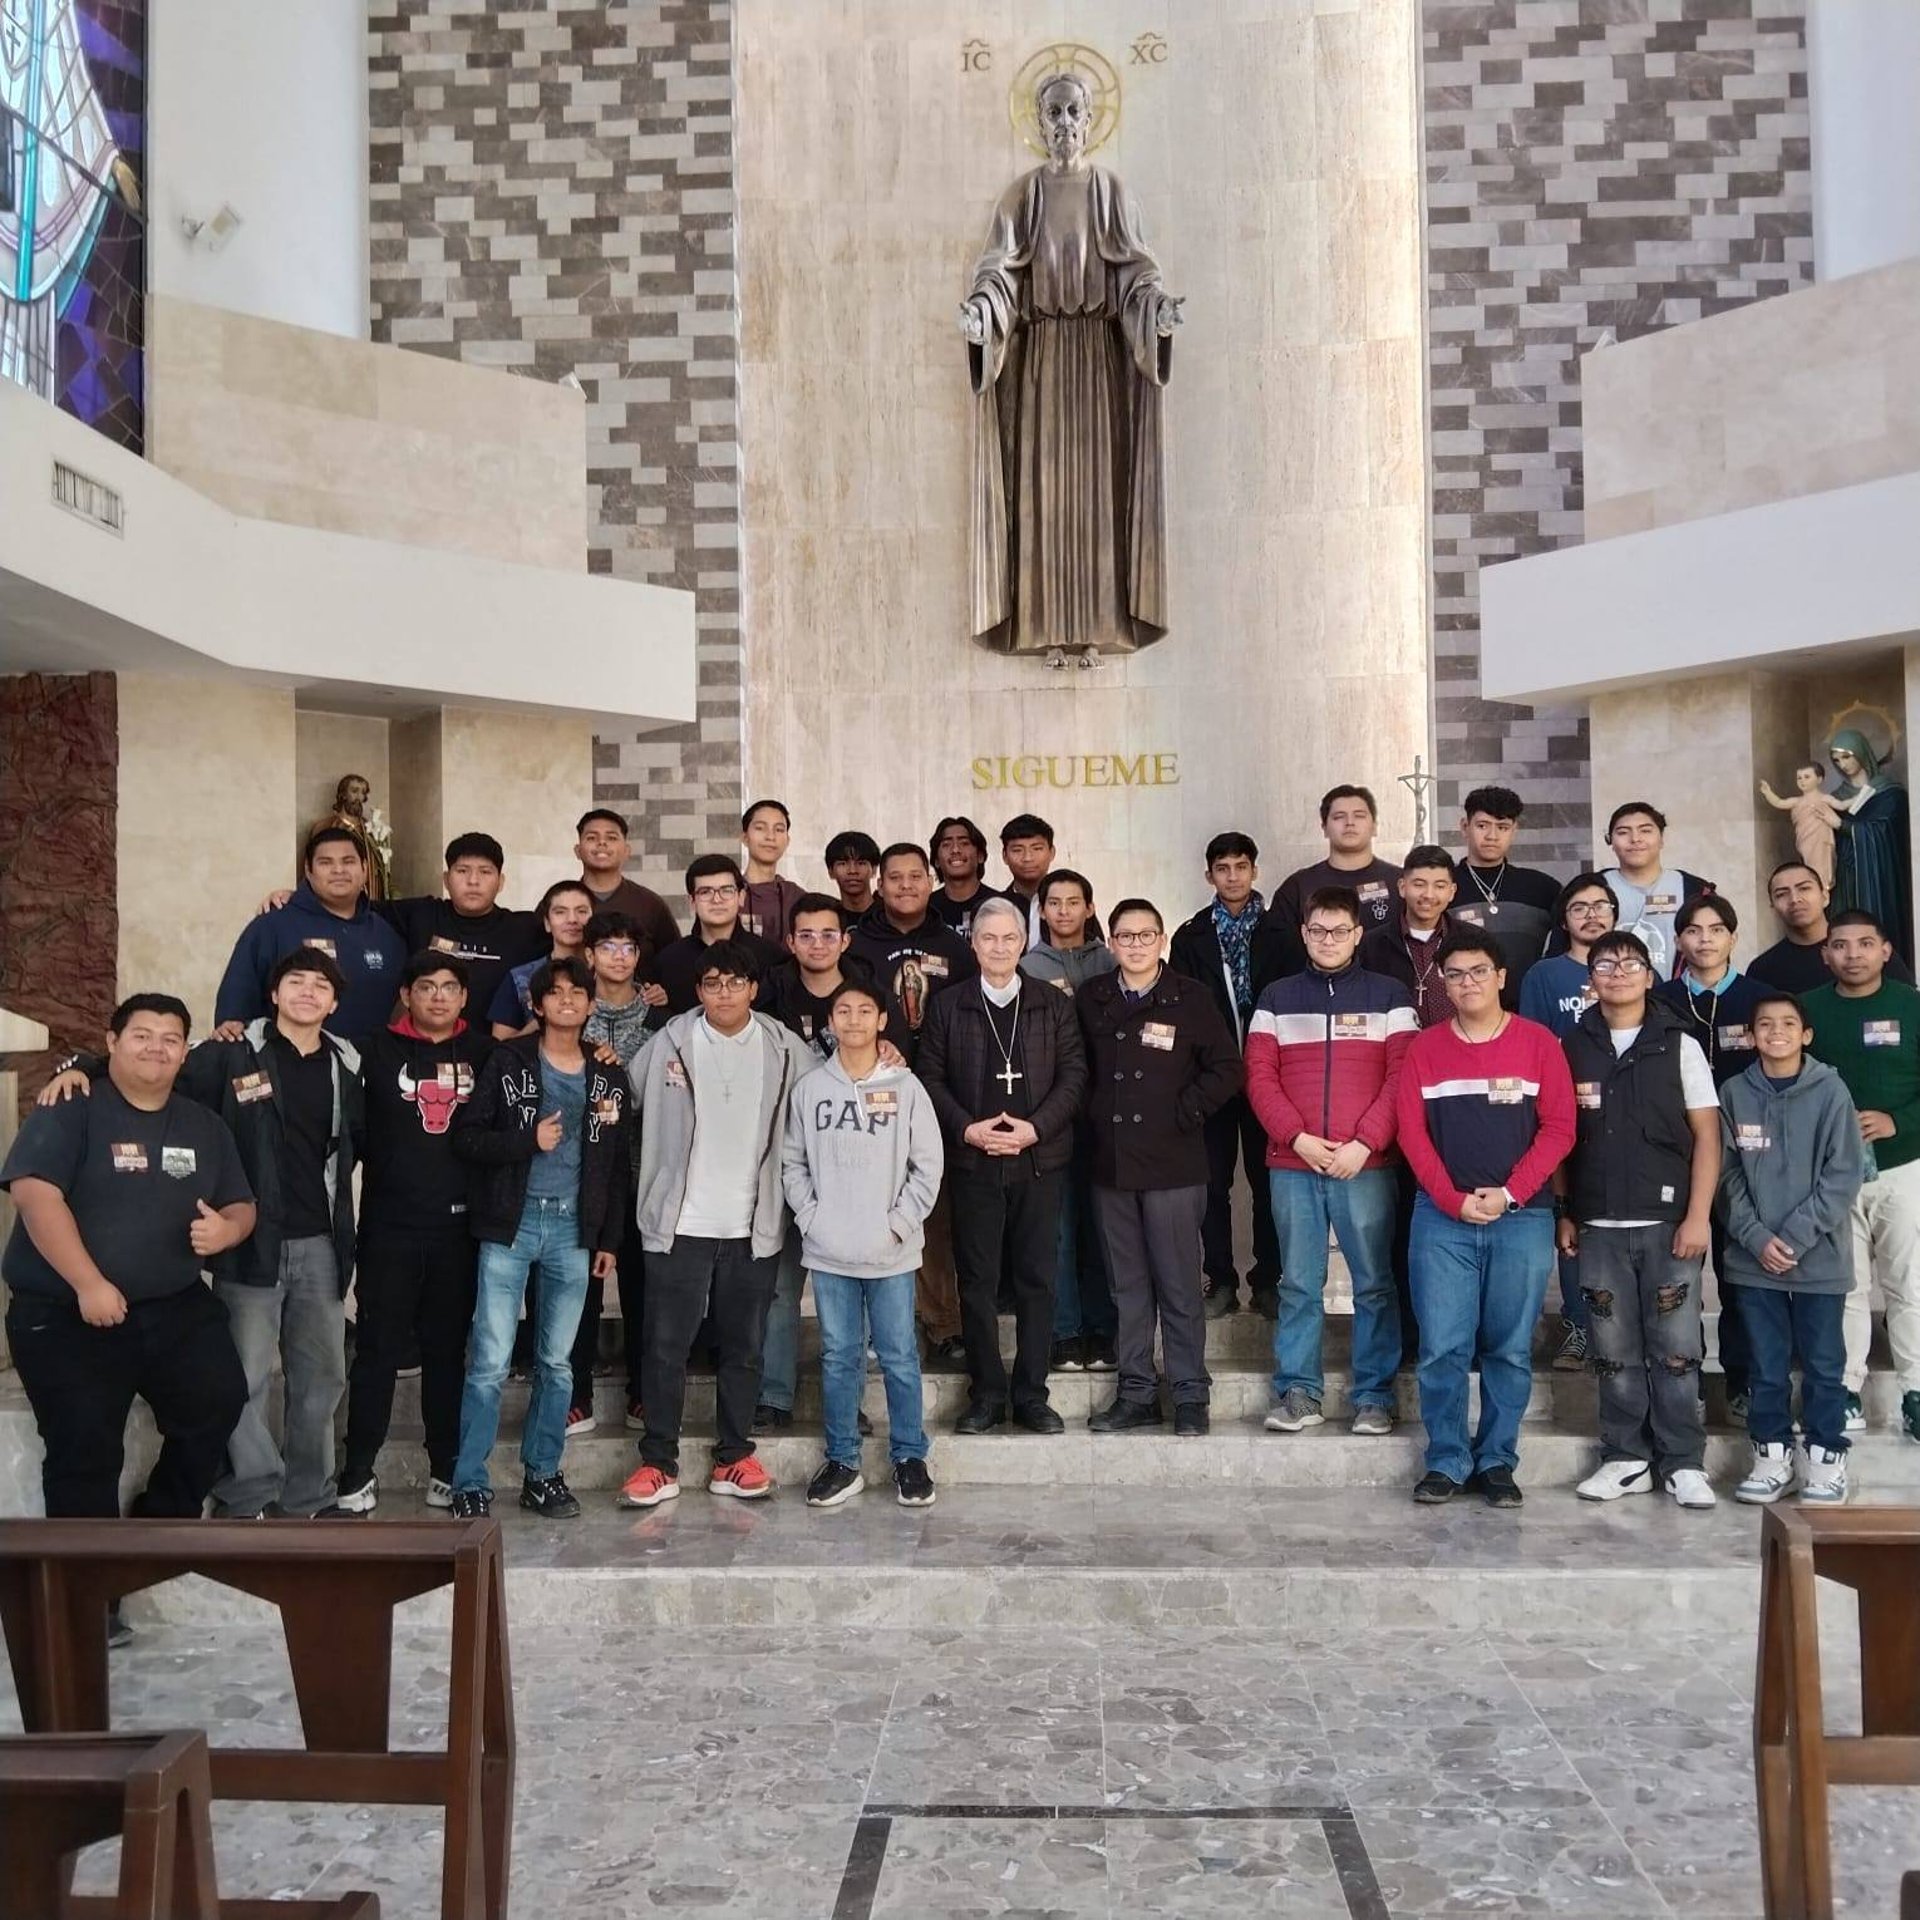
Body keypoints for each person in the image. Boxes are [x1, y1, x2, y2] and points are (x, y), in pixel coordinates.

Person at [44, 950, 364, 1518]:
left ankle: (308, 1497)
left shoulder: (346, 1064)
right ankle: (252, 1490)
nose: (308, 992)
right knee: (242, 1377)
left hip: (320, 1241)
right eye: (296, 981)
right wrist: (81, 1066)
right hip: (246, 1241)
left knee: (322, 1378)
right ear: (274, 993)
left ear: (335, 1002)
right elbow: (150, 1068)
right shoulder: (228, 1054)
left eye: (321, 986)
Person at [3, 995, 252, 1526]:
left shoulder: (204, 1125)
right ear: (112, 1043)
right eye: (141, 1036)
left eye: (170, 1039)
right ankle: (85, 1599)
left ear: (186, 1052)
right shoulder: (72, 1104)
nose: (156, 1049)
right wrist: (87, 1283)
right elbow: (34, 1194)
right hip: (65, 1310)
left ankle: (157, 1528)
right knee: (85, 1451)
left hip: (172, 1306)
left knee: (218, 1399)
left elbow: (242, 1204)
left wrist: (227, 1229)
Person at [619, 943, 813, 1507]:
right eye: (711, 983)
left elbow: (823, 1097)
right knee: (665, 1346)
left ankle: (734, 1456)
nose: (723, 993)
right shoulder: (670, 1042)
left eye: (734, 982)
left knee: (743, 1345)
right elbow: (622, 1096)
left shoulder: (783, 1047)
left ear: (753, 988)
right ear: (698, 991)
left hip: (752, 1222)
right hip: (679, 1222)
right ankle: (658, 1461)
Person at [1395, 930, 1576, 1506]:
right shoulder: (1425, 1048)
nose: (1467, 982)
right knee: (1442, 1346)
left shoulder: (1539, 1042)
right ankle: (1447, 1459)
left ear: (1502, 977)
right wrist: (1452, 1199)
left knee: (1509, 1348)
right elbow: (1410, 1133)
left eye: (1478, 971)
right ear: (1442, 984)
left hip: (1520, 1219)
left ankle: (1497, 1460)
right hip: (1441, 1219)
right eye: (1455, 974)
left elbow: (1560, 1129)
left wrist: (1512, 1194)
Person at [449, 957, 633, 1519]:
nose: (569, 1002)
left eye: (579, 993)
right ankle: (469, 1482)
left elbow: (617, 1164)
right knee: (490, 1360)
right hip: (514, 1223)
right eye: (557, 994)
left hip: (573, 1230)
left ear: (591, 1003)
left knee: (557, 1362)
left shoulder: (608, 1074)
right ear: (538, 1004)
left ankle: (544, 1474)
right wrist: (527, 1141)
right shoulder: (508, 1062)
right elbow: (468, 1138)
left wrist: (608, 1238)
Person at [1247, 887, 1417, 1438]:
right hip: (1293, 1163)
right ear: (1303, 934)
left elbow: (1401, 1077)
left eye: (1339, 931)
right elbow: (1259, 1077)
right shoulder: (1275, 997)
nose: (1328, 940)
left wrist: (1365, 1142)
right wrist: (1295, 1137)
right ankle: (1298, 1392)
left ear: (1357, 935)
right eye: (1318, 930)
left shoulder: (1390, 996)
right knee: (1297, 1283)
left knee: (1374, 1283)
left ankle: (1373, 1397)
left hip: (1365, 1164)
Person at [1561, 929, 1722, 1510]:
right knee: (1612, 1348)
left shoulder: (1679, 1044)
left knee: (1677, 1349)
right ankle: (1626, 1457)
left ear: (1651, 977)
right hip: (1598, 1224)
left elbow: (1708, 1136)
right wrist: (1564, 1211)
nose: (1619, 972)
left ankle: (1683, 1461)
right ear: (1592, 978)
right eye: (1606, 963)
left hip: (1669, 1225)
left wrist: (1698, 1216)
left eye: (1631, 963)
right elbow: (1560, 1137)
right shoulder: (1570, 1046)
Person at [917, 896, 1089, 1433]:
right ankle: (987, 1394)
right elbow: (929, 1078)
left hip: (1038, 1161)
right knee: (977, 1282)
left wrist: (1035, 1129)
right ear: (974, 943)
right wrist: (968, 1129)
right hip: (973, 1163)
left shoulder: (1052, 1004)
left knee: (1037, 1279)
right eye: (988, 938)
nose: (998, 947)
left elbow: (1075, 1076)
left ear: (1023, 944)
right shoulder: (948, 1005)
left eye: (1008, 938)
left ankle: (1032, 1394)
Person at [1077, 900, 1242, 1433]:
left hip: (1174, 1163)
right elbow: (1075, 1068)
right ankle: (1137, 1392)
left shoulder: (1191, 997)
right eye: (1125, 937)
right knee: (1127, 1287)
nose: (1136, 945)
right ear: (1112, 941)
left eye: (1146, 936)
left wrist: (1185, 1110)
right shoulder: (1093, 998)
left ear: (1162, 939)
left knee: (1177, 1283)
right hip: (1112, 1165)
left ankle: (1190, 1395)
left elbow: (1226, 1069)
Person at [338, 953, 492, 1512]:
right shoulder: (371, 1052)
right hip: (388, 1229)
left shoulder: (485, 1053)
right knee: (376, 1351)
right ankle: (357, 1471)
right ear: (406, 993)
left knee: (448, 1353)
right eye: (426, 986)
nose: (438, 997)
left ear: (464, 999)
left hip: (459, 1232)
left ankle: (446, 1467)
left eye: (450, 987)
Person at [782, 978, 944, 1508]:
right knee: (838, 1357)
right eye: (842, 1011)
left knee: (899, 1356)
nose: (852, 1020)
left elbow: (929, 1165)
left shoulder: (905, 1087)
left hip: (891, 1249)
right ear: (830, 1023)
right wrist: (812, 1218)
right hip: (829, 1249)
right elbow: (792, 1162)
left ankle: (909, 1457)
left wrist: (900, 1223)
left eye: (864, 1011)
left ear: (882, 1021)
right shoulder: (810, 1089)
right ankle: (843, 1460)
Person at [1721, 991, 1866, 1505]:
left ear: (1805, 1035)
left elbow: (1844, 1174)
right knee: (1765, 1365)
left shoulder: (1831, 1091)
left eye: (1787, 1024)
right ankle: (1771, 1455)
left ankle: (1826, 1458)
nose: (1776, 1031)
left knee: (1825, 1366)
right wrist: (1758, 1238)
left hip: (1819, 1259)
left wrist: (1796, 1235)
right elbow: (1726, 1176)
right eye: (1764, 1024)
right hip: (1754, 1262)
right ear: (1752, 1035)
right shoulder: (1734, 1093)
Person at [1805, 910, 1920, 1442]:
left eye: (1864, 944)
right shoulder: (1808, 1011)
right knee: (1844, 1286)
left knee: (1908, 1285)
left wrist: (1899, 1121)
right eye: (1840, 945)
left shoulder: (1911, 1006)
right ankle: (1845, 1387)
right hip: (1833, 1175)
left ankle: (1915, 1392)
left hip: (1903, 1166)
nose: (1852, 955)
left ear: (1885, 949)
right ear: (1826, 953)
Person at [1168, 832, 1294, 1318]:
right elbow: (1181, 1012)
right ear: (1209, 876)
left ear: (1254, 871)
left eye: (1242, 866)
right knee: (1211, 1184)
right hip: (1211, 1080)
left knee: (1268, 1185)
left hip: (1269, 1079)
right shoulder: (1191, 936)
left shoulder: (1282, 932)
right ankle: (1219, 1279)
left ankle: (1268, 1281)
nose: (1234, 876)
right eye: (1223, 868)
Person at [1656, 894, 1769, 1413]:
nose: (1705, 939)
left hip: (1747, 1162)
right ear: (1679, 941)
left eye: (1716, 929)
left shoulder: (1761, 1000)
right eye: (1694, 931)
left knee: (1740, 1276)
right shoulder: (1658, 1001)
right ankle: (1688, 1385)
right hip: (1675, 1158)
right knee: (1678, 1277)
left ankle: (1744, 1382)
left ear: (1733, 937)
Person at [1518, 874, 1620, 1370]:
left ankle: (1619, 1330)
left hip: (1623, 1113)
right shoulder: (1544, 975)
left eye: (1601, 905)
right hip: (1564, 1112)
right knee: (1568, 1218)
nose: (1591, 914)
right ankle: (1578, 1326)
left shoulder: (1635, 970)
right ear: (1564, 920)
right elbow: (1535, 1045)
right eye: (1579, 907)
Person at [1022, 870, 1117, 1370]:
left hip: (1107, 1114)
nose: (1063, 911)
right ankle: (1065, 1331)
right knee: (1057, 1228)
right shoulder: (1026, 967)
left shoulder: (1110, 959)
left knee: (1102, 1226)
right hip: (1050, 1114)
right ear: (1041, 911)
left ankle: (1103, 1329)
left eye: (1073, 902)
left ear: (1089, 907)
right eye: (1053, 903)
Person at [216, 826, 406, 1045]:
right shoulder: (272, 925)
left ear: (365, 869)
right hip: (289, 1070)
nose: (338, 870)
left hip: (372, 1070)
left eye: (348, 861)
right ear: (308, 870)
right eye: (325, 862)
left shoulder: (386, 934)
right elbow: (235, 1009)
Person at [847, 843, 978, 1050]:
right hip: (875, 1066)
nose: (906, 885)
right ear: (880, 886)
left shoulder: (955, 947)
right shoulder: (855, 946)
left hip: (942, 1066)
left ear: (930, 883)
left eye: (915, 877)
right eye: (895, 878)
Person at [1447, 786, 1561, 1002]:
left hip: (1530, 1009)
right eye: (1482, 826)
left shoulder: (1542, 887)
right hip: (1463, 1008)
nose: (1492, 836)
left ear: (1514, 830)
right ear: (1464, 827)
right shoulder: (1443, 887)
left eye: (1502, 827)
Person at [1748, 860, 1916, 994]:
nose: (1795, 899)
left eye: (1804, 888)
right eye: (1782, 894)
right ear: (1772, 906)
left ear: (1825, 896)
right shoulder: (1763, 969)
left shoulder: (1869, 952)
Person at [652, 854, 784, 1014]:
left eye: (726, 890)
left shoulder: (773, 958)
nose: (716, 899)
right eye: (705, 892)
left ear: (741, 897)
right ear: (692, 901)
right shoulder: (667, 961)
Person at [1596, 801, 1713, 980]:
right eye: (1623, 832)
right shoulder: (1591, 889)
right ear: (1610, 841)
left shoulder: (1695, 890)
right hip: (1610, 994)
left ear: (1661, 839)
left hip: (1676, 1000)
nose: (1635, 839)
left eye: (1645, 830)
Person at [1829, 729, 1912, 963]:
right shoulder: (1837, 797)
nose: (1842, 764)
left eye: (1847, 756)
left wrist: (1841, 825)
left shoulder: (1889, 793)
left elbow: (1887, 832)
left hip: (1880, 873)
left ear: (1861, 753)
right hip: (1847, 872)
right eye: (1836, 760)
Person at [1275, 786, 1402, 937]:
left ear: (1374, 826)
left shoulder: (1401, 883)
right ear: (1324, 827)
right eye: (1339, 817)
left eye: (1359, 816)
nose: (1349, 822)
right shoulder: (1298, 887)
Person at [1360, 845, 1459, 1029]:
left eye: (1439, 886)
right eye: (1419, 884)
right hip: (1393, 1049)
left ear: (1452, 891)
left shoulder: (1470, 941)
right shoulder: (1370, 945)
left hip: (1457, 1050)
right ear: (1402, 887)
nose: (1428, 895)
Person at [488, 880, 596, 1037]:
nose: (572, 919)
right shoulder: (520, 978)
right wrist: (545, 1017)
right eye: (560, 912)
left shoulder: (609, 973)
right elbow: (500, 1048)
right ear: (547, 923)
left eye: (582, 911)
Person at [573, 808, 681, 958]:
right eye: (592, 838)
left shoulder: (650, 904)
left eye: (611, 838)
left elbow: (674, 958)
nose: (602, 843)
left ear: (626, 851)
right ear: (578, 851)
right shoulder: (561, 904)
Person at [581, 911, 663, 1070]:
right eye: (607, 948)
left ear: (637, 956)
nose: (619, 956)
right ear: (590, 956)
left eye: (628, 948)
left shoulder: (661, 1023)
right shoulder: (576, 1018)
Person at [1759, 765, 1845, 889]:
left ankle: (1822, 891)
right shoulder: (1796, 801)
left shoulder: (1824, 798)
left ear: (1819, 779)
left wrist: (1860, 797)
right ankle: (1814, 888)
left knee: (1821, 869)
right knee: (1808, 866)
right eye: (1799, 778)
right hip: (1805, 840)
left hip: (1820, 840)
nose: (1802, 781)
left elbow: (1841, 805)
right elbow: (1779, 802)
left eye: (1807, 777)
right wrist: (1768, 792)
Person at [308, 773, 392, 900]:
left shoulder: (372, 828)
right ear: (342, 794)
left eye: (363, 792)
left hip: (373, 899)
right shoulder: (326, 826)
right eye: (354, 791)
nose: (359, 797)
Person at [740, 799, 805, 947]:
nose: (770, 837)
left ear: (787, 840)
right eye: (760, 828)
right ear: (744, 837)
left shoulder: (796, 897)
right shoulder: (727, 894)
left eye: (779, 830)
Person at [928, 815, 1002, 938]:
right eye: (946, 844)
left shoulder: (1000, 904)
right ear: (936, 860)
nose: (955, 850)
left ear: (980, 856)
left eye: (964, 843)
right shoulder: (926, 909)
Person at [998, 814, 1056, 944]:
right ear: (1004, 856)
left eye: (1037, 848)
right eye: (1017, 850)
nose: (1028, 858)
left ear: (1052, 852)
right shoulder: (995, 906)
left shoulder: (1070, 905)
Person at [825, 829, 882, 919]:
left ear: (874, 869)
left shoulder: (889, 916)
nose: (852, 871)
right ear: (830, 871)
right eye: (843, 863)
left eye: (861, 863)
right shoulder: (828, 918)